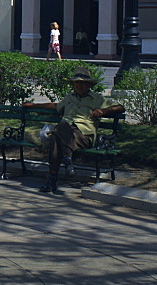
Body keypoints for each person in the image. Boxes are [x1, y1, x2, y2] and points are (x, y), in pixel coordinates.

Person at [25, 67, 123, 195]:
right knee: (58, 133)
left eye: (82, 83)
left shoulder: (97, 98)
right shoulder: (69, 97)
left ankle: (53, 179)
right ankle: (66, 163)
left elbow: (120, 107)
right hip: (66, 135)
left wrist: (103, 111)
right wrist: (33, 105)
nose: (79, 85)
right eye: (76, 83)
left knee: (57, 132)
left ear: (88, 84)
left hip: (83, 135)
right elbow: (56, 106)